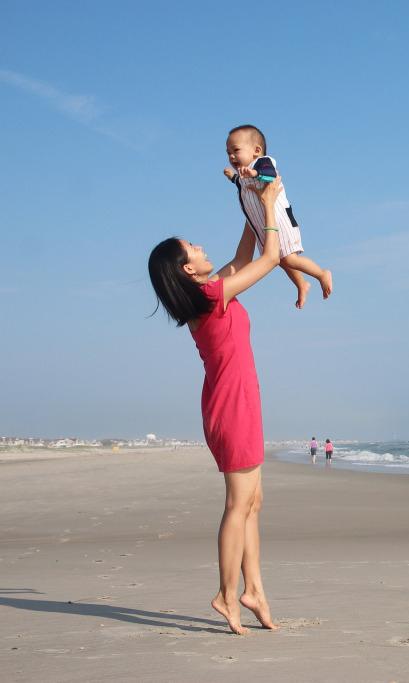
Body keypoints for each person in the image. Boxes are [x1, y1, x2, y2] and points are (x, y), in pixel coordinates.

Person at [147, 177, 285, 635]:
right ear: (188, 270)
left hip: (239, 399)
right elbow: (267, 258)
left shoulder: (210, 293)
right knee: (238, 504)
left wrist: (247, 196)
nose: (202, 247)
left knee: (253, 502)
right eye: (193, 247)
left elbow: (243, 257)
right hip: (231, 406)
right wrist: (268, 208)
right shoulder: (209, 296)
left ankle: (255, 590)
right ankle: (228, 594)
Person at [223, 124, 332, 309]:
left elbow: (269, 175)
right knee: (281, 260)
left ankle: (321, 273)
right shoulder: (244, 173)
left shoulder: (263, 162)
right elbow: (243, 185)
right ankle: (301, 284)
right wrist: (233, 177)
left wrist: (255, 173)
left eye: (236, 150)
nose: (231, 156)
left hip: (280, 220)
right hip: (263, 224)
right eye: (228, 152)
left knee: (289, 258)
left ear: (257, 150)